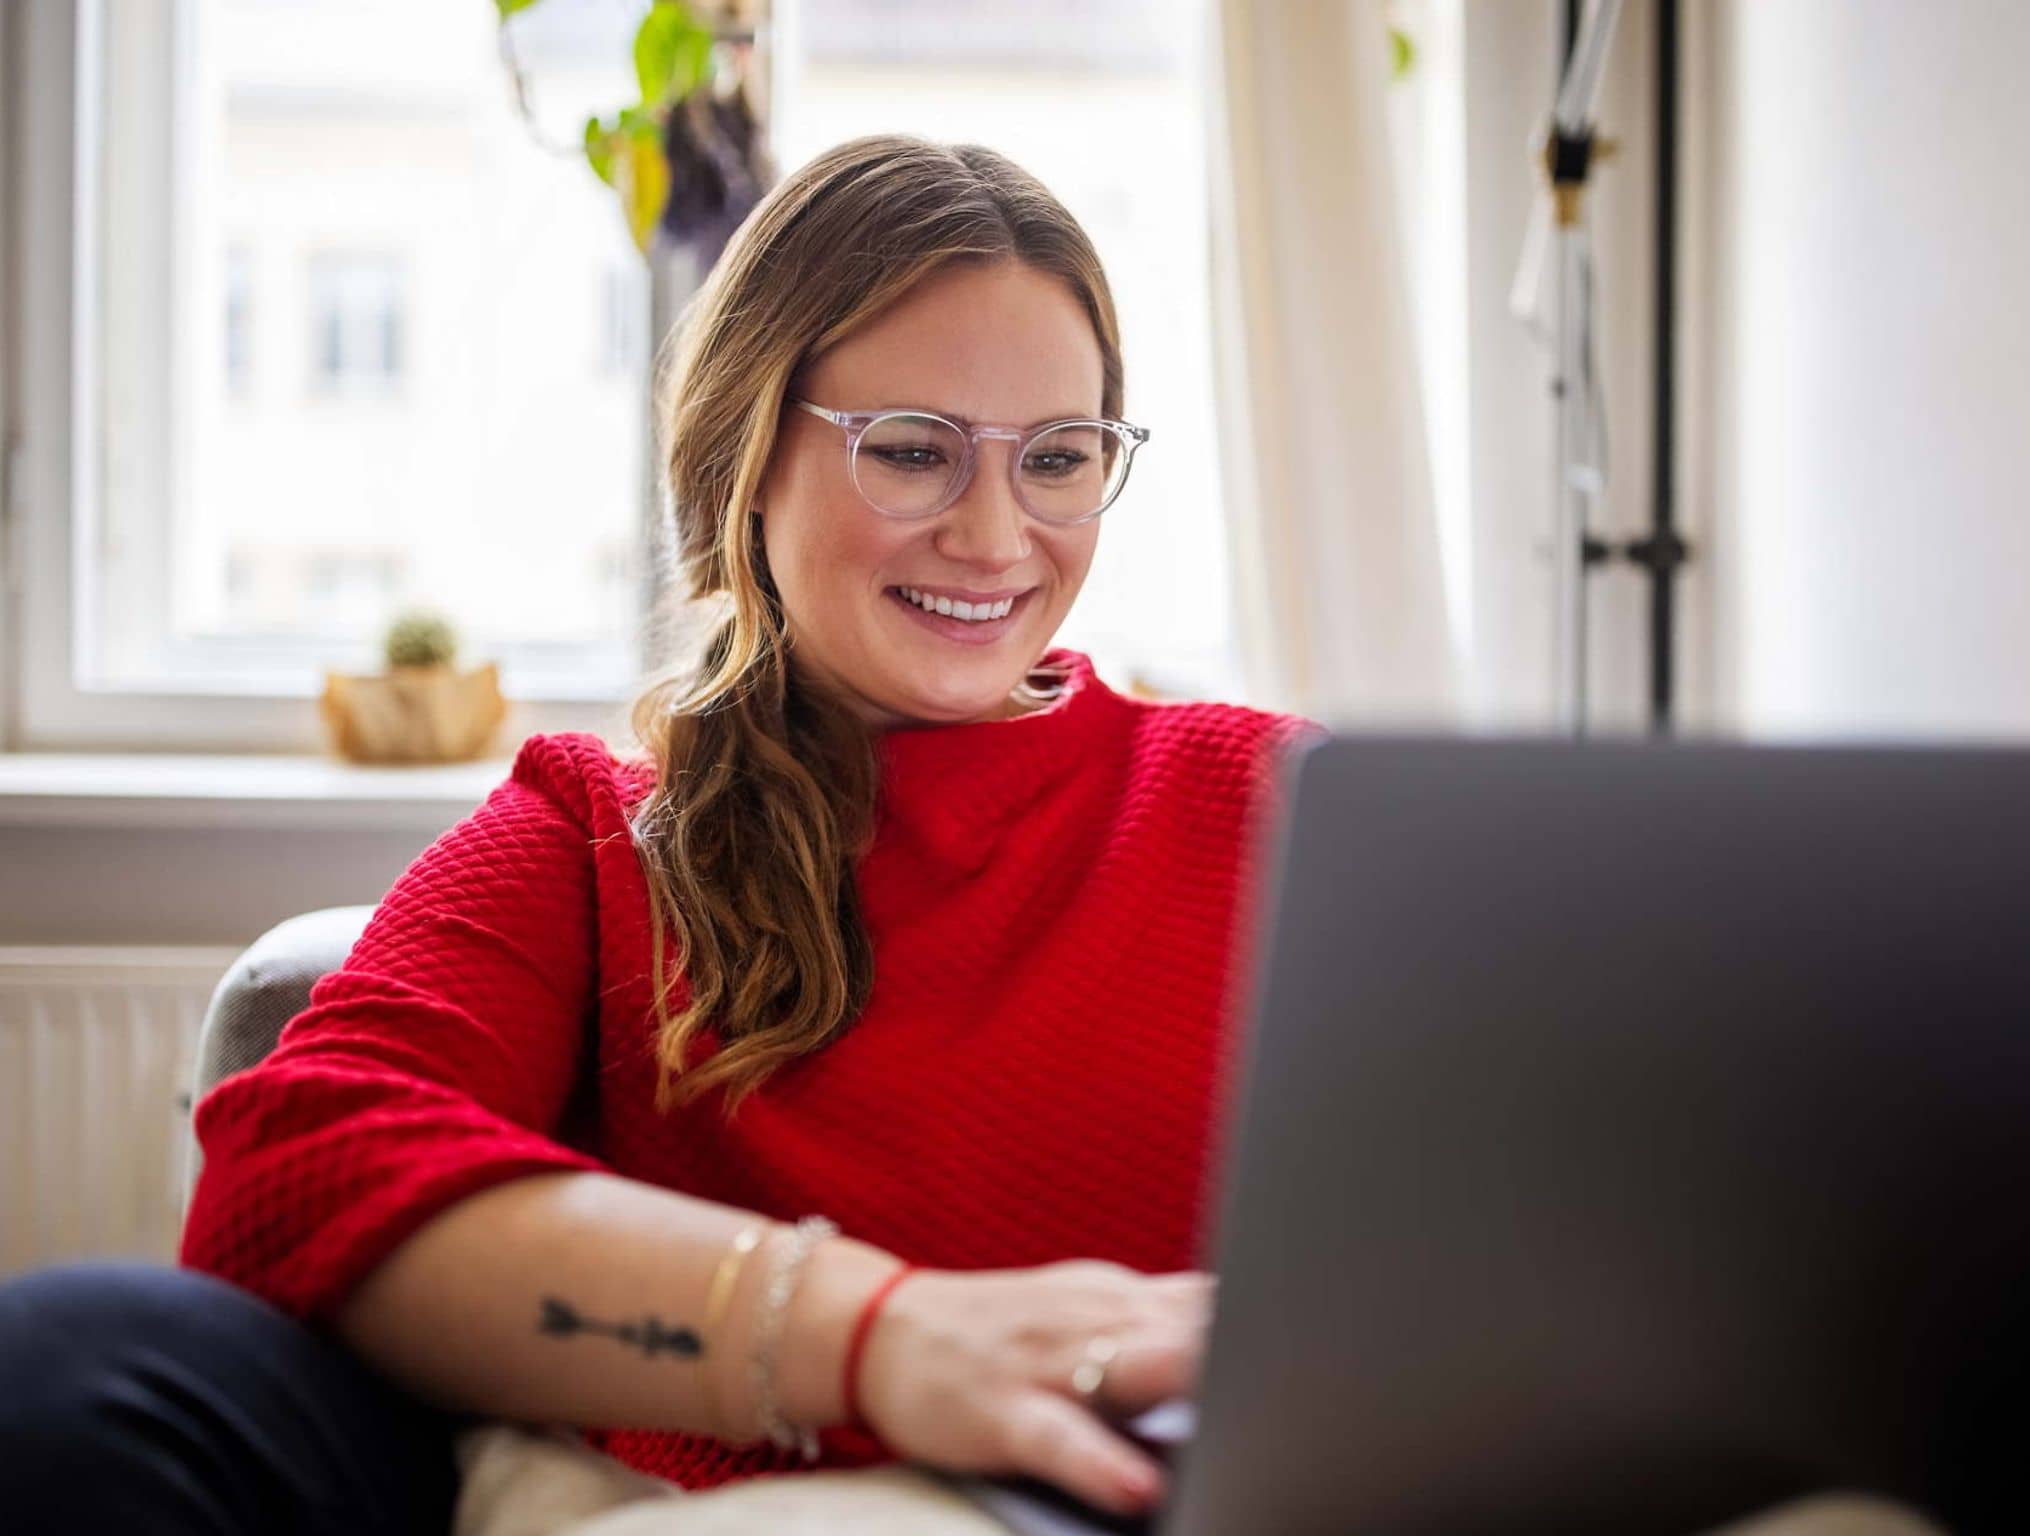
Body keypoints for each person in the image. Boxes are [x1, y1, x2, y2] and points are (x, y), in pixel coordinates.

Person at [0, 134, 1317, 1534]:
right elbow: (289, 1175)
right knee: (71, 1360)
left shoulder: (1279, 806)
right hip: (698, 1514)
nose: (998, 537)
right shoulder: (598, 834)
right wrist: (875, 1338)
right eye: (914, 453)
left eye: (1060, 458)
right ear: (750, 459)